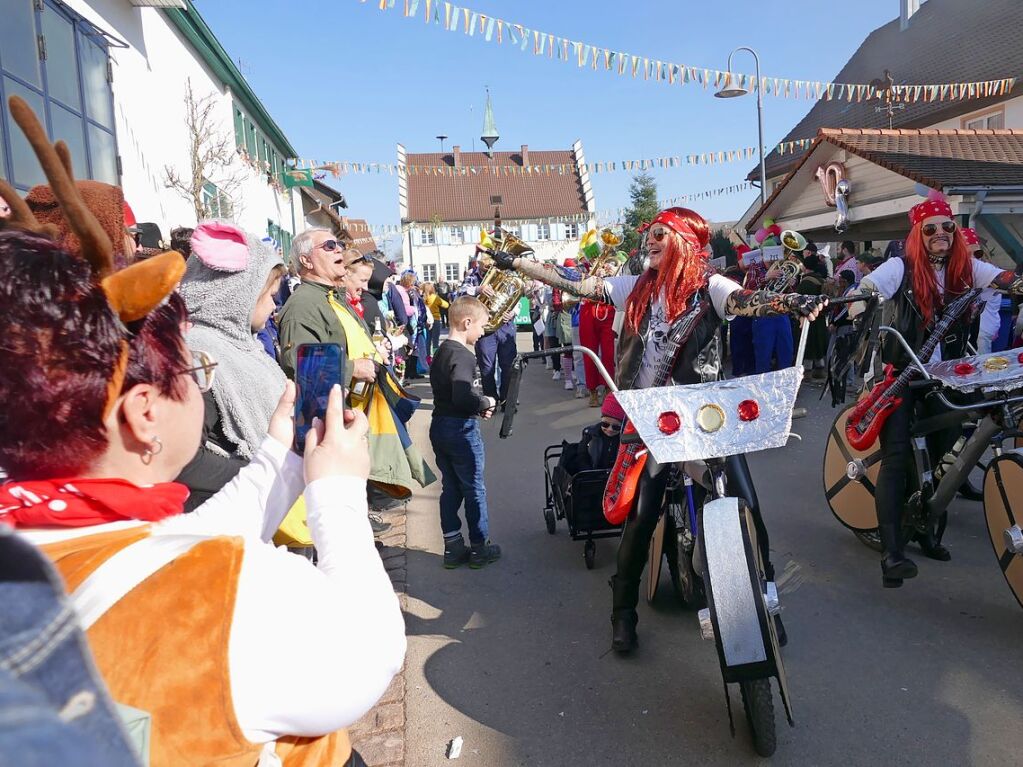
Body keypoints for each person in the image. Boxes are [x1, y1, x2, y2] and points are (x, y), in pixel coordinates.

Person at [0, 101, 404, 764]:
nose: (199, 378)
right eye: (191, 369)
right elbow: (368, 652)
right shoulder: (231, 596)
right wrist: (336, 494)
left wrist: (282, 455)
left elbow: (165, 548)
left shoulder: (35, 534)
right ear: (144, 412)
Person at [489, 206, 826, 652]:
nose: (649, 241)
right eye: (649, 235)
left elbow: (748, 302)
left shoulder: (711, 288)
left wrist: (794, 301)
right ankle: (623, 612)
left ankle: (765, 601)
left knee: (747, 504)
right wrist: (518, 263)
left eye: (660, 235)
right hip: (651, 417)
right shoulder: (636, 289)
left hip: (706, 415)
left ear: (684, 243)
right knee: (641, 516)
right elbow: (577, 284)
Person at [852, 193, 1023, 587]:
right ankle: (892, 554)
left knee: (947, 450)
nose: (941, 233)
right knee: (896, 458)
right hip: (902, 374)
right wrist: (863, 298)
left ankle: (929, 530)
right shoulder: (901, 267)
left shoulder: (968, 268)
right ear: (918, 233)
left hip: (949, 374)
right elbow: (872, 286)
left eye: (947, 226)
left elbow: (1004, 279)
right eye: (931, 228)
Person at [175, 220, 288, 511]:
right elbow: (185, 458)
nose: (274, 307)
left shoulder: (244, 346)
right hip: (226, 517)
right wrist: (261, 475)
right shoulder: (197, 354)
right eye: (270, 296)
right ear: (237, 293)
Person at [429, 297, 501, 569]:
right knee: (473, 489)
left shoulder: (443, 350)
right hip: (460, 429)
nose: (483, 332)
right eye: (482, 326)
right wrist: (484, 402)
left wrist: (473, 403)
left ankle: (453, 546)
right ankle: (479, 547)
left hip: (440, 425)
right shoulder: (464, 356)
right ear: (466, 322)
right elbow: (461, 394)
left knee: (450, 487)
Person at [277, 227, 374, 388]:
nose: (338, 250)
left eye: (339, 245)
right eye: (329, 246)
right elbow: (298, 364)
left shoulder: (333, 297)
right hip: (335, 409)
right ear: (306, 261)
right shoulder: (302, 305)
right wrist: (352, 368)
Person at [797, 253, 830, 381]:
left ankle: (808, 372)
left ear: (806, 267)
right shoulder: (821, 279)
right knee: (819, 343)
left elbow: (798, 300)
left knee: (809, 344)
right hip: (821, 317)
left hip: (808, 317)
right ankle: (820, 369)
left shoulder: (806, 282)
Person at [422, 281, 449, 356]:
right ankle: (435, 356)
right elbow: (446, 305)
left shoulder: (423, 298)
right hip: (435, 319)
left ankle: (427, 357)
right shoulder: (435, 297)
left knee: (428, 340)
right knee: (435, 340)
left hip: (426, 321)